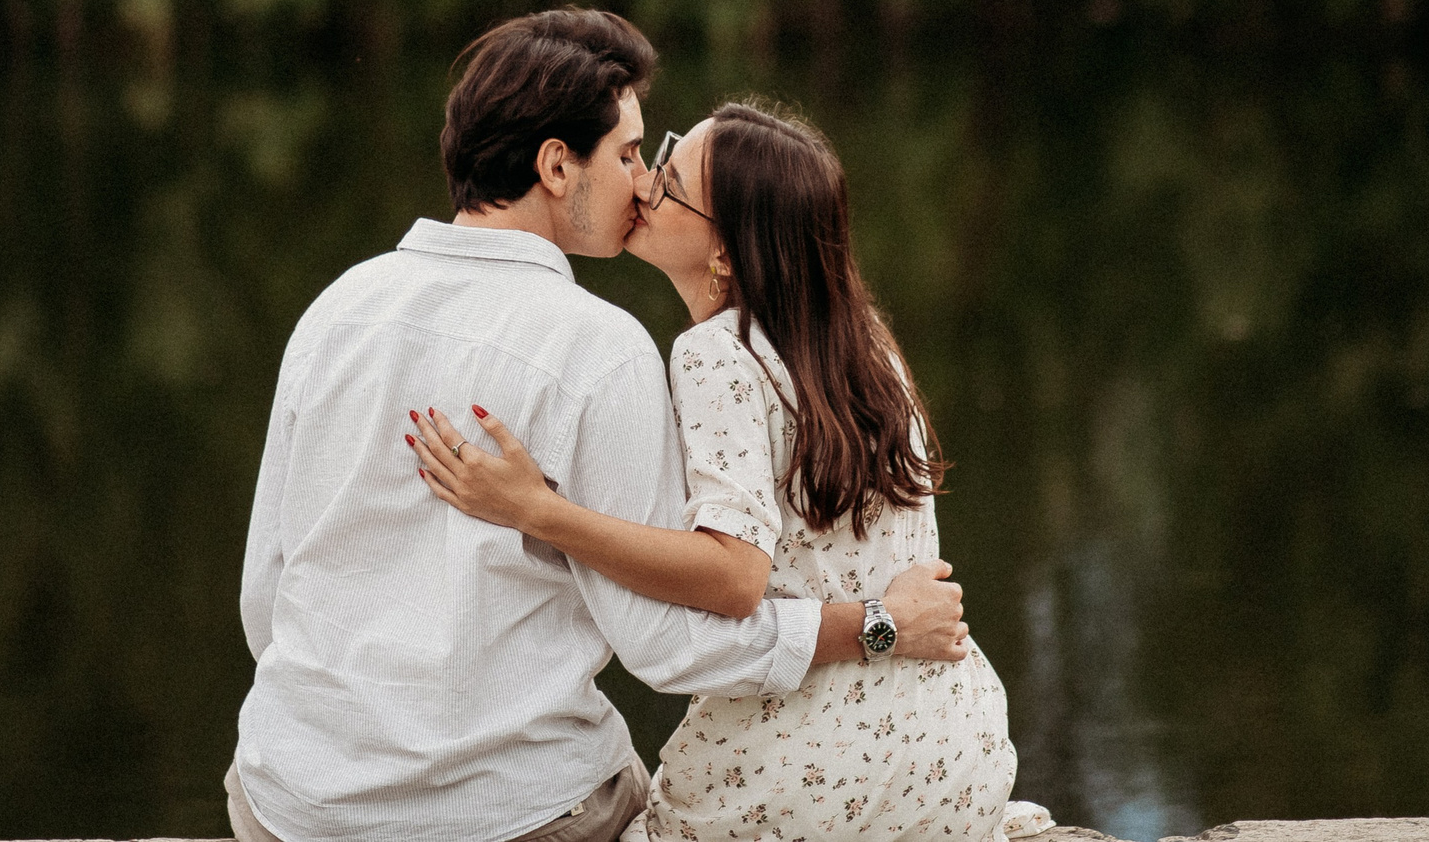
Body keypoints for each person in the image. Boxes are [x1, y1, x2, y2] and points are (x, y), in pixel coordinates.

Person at [226, 11, 973, 842]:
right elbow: (668, 647)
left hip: (286, 804)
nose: (642, 183)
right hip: (509, 819)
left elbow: (267, 596)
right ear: (555, 165)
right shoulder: (602, 350)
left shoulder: (337, 310)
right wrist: (875, 625)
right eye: (626, 154)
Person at [410, 99, 1059, 842]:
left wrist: (538, 510)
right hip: (953, 756)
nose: (645, 186)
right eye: (656, 159)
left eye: (670, 180)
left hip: (805, 773)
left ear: (725, 251)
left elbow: (734, 574)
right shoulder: (865, 341)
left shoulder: (715, 353)